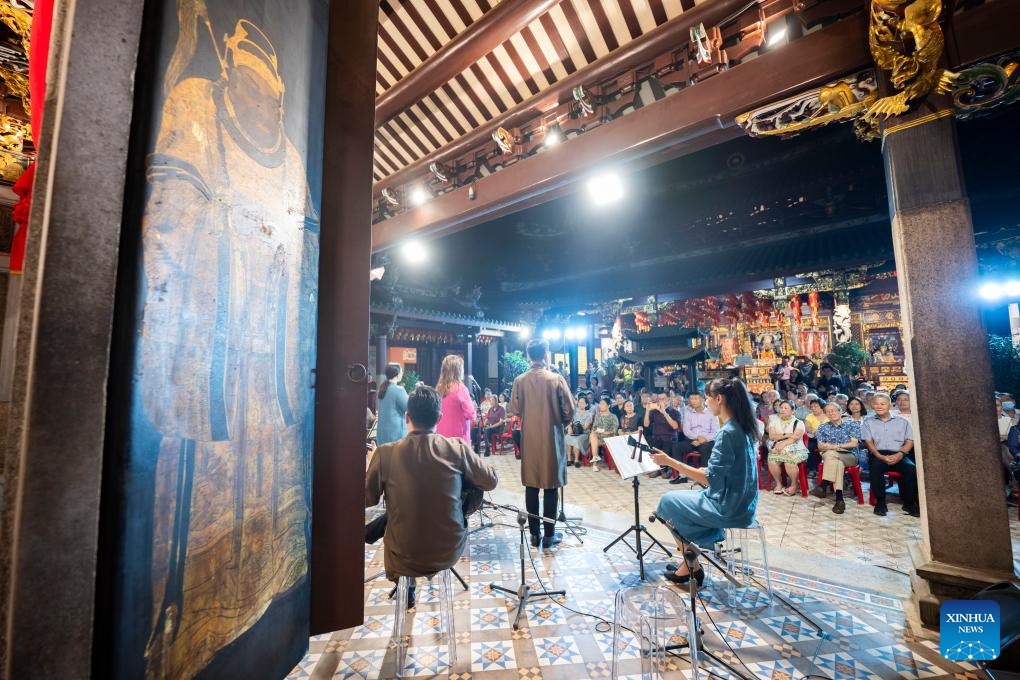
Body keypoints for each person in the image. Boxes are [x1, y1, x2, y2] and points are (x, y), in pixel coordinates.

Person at [366, 386, 499, 606]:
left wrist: (370, 465)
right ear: (439, 417)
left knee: (398, 512)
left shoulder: (385, 453)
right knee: (470, 484)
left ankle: (404, 585)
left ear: (407, 417)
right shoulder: (456, 448)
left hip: (403, 554)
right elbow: (490, 481)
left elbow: (367, 499)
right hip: (448, 548)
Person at [651, 378, 760, 586]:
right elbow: (727, 470)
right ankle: (689, 563)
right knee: (680, 500)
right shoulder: (741, 427)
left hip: (728, 506)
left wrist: (669, 461)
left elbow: (709, 480)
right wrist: (706, 470)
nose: (707, 402)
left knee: (667, 502)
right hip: (744, 502)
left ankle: (691, 566)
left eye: (708, 398)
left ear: (719, 399)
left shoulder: (727, 432)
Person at [508, 339, 575, 548]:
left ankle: (534, 535)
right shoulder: (556, 379)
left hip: (529, 439)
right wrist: (559, 423)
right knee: (550, 486)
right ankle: (549, 535)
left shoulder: (520, 380)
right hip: (551, 438)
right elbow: (570, 411)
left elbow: (515, 409)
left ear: (528, 356)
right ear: (546, 354)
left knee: (531, 485)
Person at [861, 393, 919, 517]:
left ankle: (909, 503)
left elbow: (910, 440)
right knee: (875, 468)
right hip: (878, 454)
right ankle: (880, 502)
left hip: (899, 453)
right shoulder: (868, 422)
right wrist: (879, 456)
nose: (879, 406)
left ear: (890, 406)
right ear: (872, 405)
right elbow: (868, 441)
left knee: (911, 469)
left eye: (882, 404)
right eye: (876, 404)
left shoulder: (903, 421)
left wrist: (900, 454)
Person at [811, 403, 861, 513]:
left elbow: (853, 444)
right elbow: (820, 446)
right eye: (828, 411)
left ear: (840, 411)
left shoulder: (852, 424)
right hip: (831, 456)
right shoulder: (823, 427)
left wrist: (836, 446)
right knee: (834, 460)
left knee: (830, 454)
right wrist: (833, 448)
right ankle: (839, 499)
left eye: (833, 410)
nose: (831, 413)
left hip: (849, 455)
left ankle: (823, 485)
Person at [765, 400, 810, 495]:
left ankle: (794, 485)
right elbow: (772, 436)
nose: (782, 410)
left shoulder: (799, 423)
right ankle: (779, 484)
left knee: (789, 461)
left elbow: (795, 437)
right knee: (771, 460)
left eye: (786, 408)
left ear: (793, 411)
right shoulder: (774, 421)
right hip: (778, 449)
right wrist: (787, 434)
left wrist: (783, 443)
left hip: (798, 450)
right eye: (781, 408)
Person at [436, 354, 476, 445]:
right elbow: (471, 414)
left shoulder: (439, 388)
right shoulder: (460, 388)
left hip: (441, 436)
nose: (463, 370)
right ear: (456, 370)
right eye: (461, 367)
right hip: (458, 438)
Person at [645, 392, 681, 479]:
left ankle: (664, 470)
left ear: (668, 399)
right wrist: (647, 411)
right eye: (659, 399)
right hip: (656, 438)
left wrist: (664, 413)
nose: (661, 401)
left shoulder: (675, 412)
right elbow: (646, 424)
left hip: (670, 438)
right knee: (650, 446)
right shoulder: (654, 412)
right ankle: (658, 469)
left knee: (666, 447)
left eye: (663, 399)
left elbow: (675, 426)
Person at [376, 363, 409, 446]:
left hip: (382, 432)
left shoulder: (382, 388)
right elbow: (409, 407)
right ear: (397, 374)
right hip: (395, 432)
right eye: (401, 372)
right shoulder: (398, 390)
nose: (402, 374)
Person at [588, 397, 620, 472]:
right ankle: (595, 462)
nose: (600, 406)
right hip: (598, 437)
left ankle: (595, 463)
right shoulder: (598, 415)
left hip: (609, 437)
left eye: (602, 404)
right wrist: (598, 431)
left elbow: (614, 429)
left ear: (608, 406)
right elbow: (594, 427)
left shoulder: (613, 416)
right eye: (600, 404)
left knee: (593, 436)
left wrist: (604, 432)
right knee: (593, 434)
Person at [564, 394, 594, 468]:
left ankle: (576, 460)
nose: (580, 404)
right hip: (574, 433)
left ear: (586, 404)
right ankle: (569, 459)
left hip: (584, 434)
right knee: (567, 437)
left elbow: (585, 427)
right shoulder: (574, 413)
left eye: (582, 403)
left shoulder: (588, 414)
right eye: (579, 402)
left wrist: (577, 426)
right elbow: (569, 423)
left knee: (577, 440)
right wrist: (570, 427)